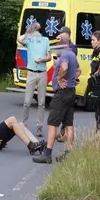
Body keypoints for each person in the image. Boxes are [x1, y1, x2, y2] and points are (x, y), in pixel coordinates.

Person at [34, 26, 79, 164]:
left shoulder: (65, 55)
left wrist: (59, 78)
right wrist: (73, 80)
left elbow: (64, 68)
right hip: (71, 92)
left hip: (62, 94)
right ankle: (69, 153)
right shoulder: (72, 53)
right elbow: (78, 71)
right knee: (68, 124)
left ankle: (47, 154)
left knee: (52, 123)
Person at [17, 21, 52, 137]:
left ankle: (39, 127)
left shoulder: (45, 40)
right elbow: (19, 39)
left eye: (37, 30)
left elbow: (49, 57)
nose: (36, 33)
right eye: (35, 30)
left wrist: (42, 60)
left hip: (42, 73)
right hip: (31, 72)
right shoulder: (29, 39)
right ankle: (23, 124)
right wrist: (29, 30)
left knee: (41, 102)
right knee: (27, 101)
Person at [88, 31, 100, 131]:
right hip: (96, 83)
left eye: (93, 40)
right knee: (97, 110)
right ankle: (99, 130)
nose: (91, 42)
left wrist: (98, 71)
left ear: (99, 41)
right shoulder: (96, 51)